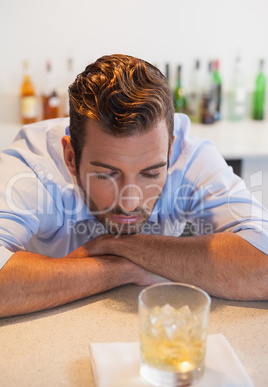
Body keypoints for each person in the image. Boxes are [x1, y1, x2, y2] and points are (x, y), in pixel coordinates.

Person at [0, 54, 267, 318]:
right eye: (106, 175)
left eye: (150, 173)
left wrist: (119, 245)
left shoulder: (190, 156)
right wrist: (122, 268)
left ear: (170, 151)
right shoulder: (30, 165)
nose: (130, 203)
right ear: (71, 158)